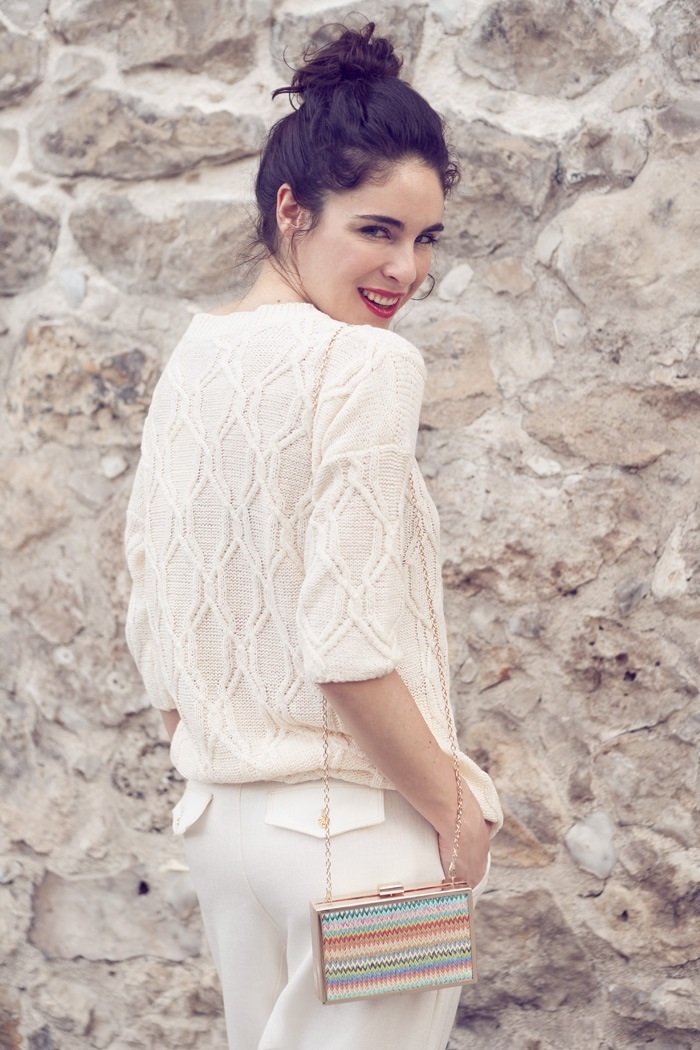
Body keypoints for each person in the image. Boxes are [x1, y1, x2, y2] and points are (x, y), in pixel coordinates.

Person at [125, 22, 503, 1050]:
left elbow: (152, 613)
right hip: (363, 848)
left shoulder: (196, 358)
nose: (405, 269)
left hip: (225, 833)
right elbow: (346, 648)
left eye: (426, 239)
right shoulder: (367, 365)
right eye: (377, 230)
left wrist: (227, 748)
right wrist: (457, 819)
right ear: (291, 210)